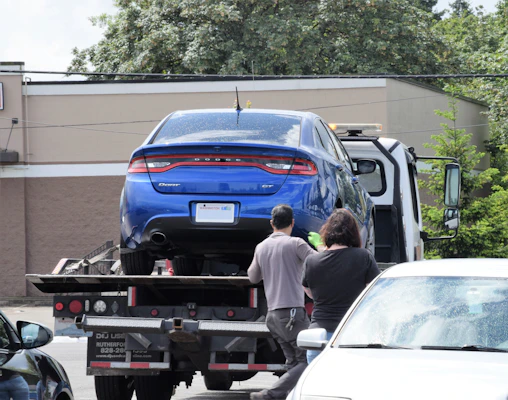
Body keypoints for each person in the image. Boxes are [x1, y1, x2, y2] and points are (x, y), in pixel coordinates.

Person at [247, 204, 323, 400]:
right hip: (292, 314)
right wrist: (320, 245)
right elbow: (320, 263)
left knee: (292, 361)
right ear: (292, 222)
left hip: (272, 316)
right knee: (308, 360)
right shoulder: (296, 243)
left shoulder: (261, 247)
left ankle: (289, 396)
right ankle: (269, 394)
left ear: (272, 223)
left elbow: (253, 277)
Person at [303, 208, 380, 364]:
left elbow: (309, 293)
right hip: (352, 335)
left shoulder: (311, 261)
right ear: (353, 233)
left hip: (318, 337)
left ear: (327, 232)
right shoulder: (363, 257)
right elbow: (373, 291)